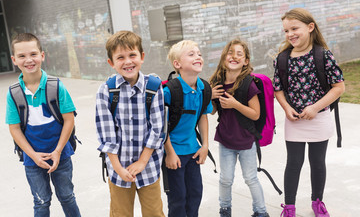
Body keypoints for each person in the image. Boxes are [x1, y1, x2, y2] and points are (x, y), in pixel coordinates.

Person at [273, 8, 345, 217]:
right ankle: (289, 207)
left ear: (310, 27)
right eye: (286, 30)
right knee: (294, 162)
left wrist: (315, 107)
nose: (290, 34)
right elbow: (278, 88)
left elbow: (339, 87)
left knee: (317, 162)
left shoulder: (323, 55)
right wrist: (287, 109)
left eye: (294, 28)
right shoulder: (282, 59)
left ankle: (318, 201)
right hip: (294, 121)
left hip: (319, 117)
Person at [5, 33, 81, 217]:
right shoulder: (14, 93)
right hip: (32, 158)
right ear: (14, 60)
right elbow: (14, 128)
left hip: (60, 154)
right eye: (22, 56)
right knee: (40, 201)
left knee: (67, 196)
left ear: (42, 56)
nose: (28, 60)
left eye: (33, 54)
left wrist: (57, 150)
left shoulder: (56, 86)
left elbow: (69, 119)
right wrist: (33, 155)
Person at [95, 30, 165, 217]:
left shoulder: (153, 86)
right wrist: (117, 168)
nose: (128, 62)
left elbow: (157, 128)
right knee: (121, 213)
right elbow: (106, 133)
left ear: (141, 57)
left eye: (132, 55)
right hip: (118, 166)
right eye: (120, 57)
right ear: (111, 62)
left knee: (154, 212)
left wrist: (142, 161)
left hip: (149, 164)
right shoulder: (106, 91)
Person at [209, 39, 270, 217]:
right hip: (226, 140)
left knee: (251, 178)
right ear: (223, 58)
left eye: (239, 54)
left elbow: (255, 114)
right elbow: (212, 111)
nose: (234, 56)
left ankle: (261, 212)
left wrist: (235, 104)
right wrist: (209, 96)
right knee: (225, 179)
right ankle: (225, 210)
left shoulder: (247, 84)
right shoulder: (217, 83)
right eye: (230, 52)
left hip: (246, 141)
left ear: (246, 62)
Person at [164, 40, 213, 217]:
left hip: (193, 151)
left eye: (198, 53)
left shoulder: (204, 88)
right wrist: (169, 152)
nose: (197, 56)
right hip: (174, 152)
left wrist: (205, 145)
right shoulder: (169, 91)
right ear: (177, 64)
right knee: (178, 198)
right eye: (191, 54)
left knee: (195, 194)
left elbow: (203, 116)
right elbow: (161, 127)